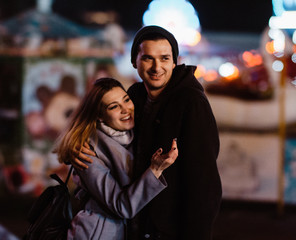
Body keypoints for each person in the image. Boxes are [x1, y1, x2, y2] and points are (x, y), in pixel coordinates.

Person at [73, 25, 222, 240]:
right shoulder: (135, 96)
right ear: (135, 61)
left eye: (164, 58)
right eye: (148, 58)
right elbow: (104, 124)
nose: (156, 67)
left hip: (171, 229)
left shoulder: (191, 102)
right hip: (136, 224)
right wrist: (79, 145)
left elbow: (204, 182)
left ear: (175, 61)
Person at [54, 77, 178, 240]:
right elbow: (122, 206)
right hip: (97, 234)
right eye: (114, 107)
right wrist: (156, 169)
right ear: (99, 116)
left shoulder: (134, 135)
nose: (125, 109)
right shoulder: (87, 151)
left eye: (126, 100)